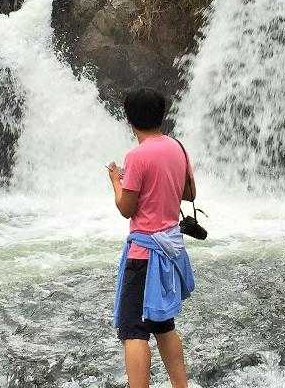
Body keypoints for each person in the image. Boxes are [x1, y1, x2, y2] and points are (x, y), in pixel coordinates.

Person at [107, 87, 197, 388]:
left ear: (129, 119)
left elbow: (126, 208)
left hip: (143, 254)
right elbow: (189, 194)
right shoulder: (178, 148)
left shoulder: (136, 156)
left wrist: (115, 183)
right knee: (163, 324)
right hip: (170, 249)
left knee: (133, 330)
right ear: (162, 116)